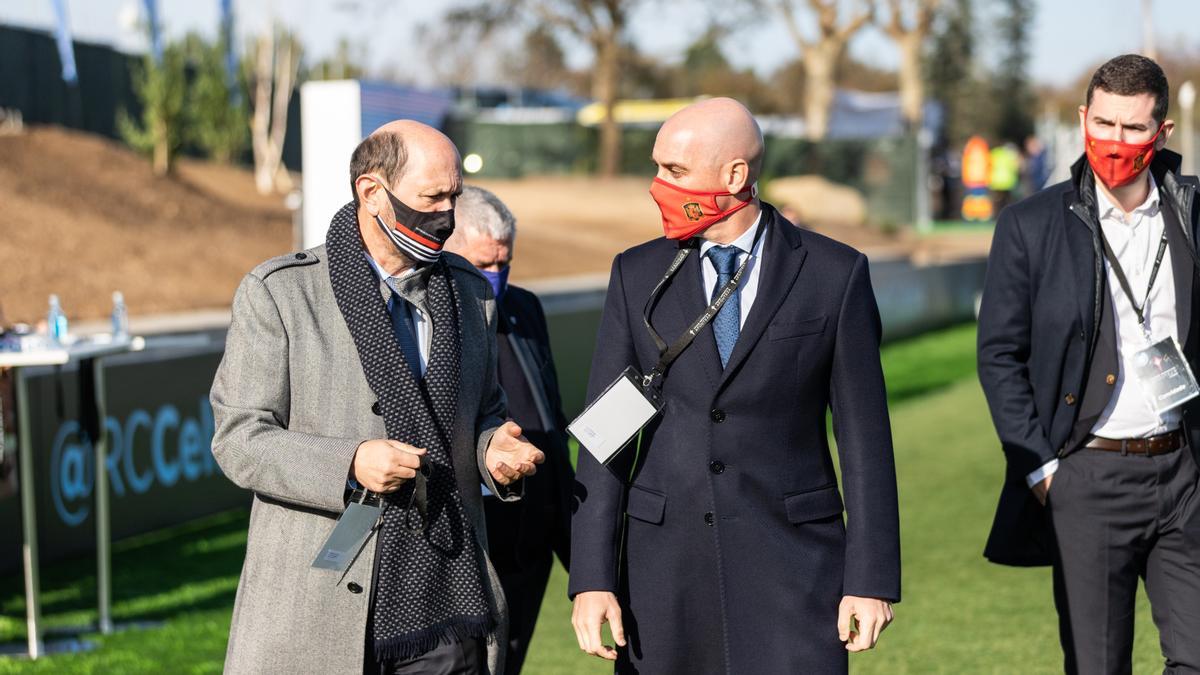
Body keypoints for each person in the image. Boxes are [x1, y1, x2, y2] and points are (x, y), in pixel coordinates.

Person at [569, 97, 900, 673]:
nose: (656, 186)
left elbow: (865, 439)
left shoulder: (834, 273)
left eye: (673, 171)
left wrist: (871, 580)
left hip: (795, 570)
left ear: (735, 175)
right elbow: (606, 439)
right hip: (662, 577)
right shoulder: (636, 273)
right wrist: (592, 578)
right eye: (657, 168)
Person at [209, 120, 545, 675]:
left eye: (453, 197)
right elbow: (240, 437)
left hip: (449, 597)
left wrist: (492, 453)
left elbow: (484, 413)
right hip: (319, 606)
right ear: (372, 193)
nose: (446, 215)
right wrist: (350, 462)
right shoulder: (280, 293)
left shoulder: (469, 292)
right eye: (431, 197)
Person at [978, 54, 1200, 673]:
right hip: (1086, 477)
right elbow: (999, 355)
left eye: (1133, 128)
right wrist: (1042, 471)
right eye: (1104, 124)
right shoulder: (1030, 224)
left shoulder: (1192, 214)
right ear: (1082, 119)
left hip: (1186, 472)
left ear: (1163, 132)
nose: (1115, 142)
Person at [444, 185, 574, 675]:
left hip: (532, 537)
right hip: (471, 542)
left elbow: (549, 417)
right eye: (484, 265)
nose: (496, 276)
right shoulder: (432, 320)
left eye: (505, 263)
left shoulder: (525, 309)